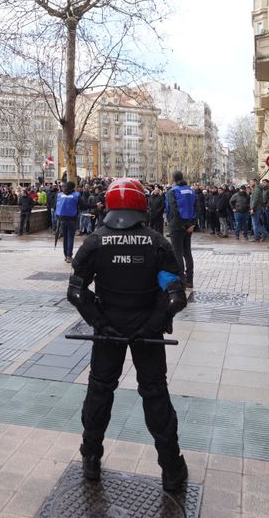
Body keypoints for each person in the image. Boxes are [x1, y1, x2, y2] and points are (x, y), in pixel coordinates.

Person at [67, 179, 189, 491]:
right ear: (141, 205)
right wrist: (152, 323)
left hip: (109, 330)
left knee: (99, 392)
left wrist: (100, 322)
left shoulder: (95, 241)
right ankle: (171, 468)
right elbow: (175, 295)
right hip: (146, 331)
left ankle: (91, 457)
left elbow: (77, 292)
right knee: (155, 394)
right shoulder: (156, 242)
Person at [165, 171, 196, 288]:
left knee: (177, 253)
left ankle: (181, 280)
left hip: (176, 225)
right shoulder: (191, 190)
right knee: (187, 252)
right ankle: (190, 280)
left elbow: (173, 210)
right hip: (189, 225)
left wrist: (182, 225)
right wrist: (191, 224)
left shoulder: (172, 192)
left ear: (173, 179)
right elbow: (196, 207)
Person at [56, 181, 84, 262]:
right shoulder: (76, 195)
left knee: (65, 238)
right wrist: (95, 205)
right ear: (73, 187)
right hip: (72, 219)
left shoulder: (60, 195)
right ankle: (69, 256)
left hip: (62, 219)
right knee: (70, 238)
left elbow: (56, 206)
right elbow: (84, 206)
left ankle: (66, 255)